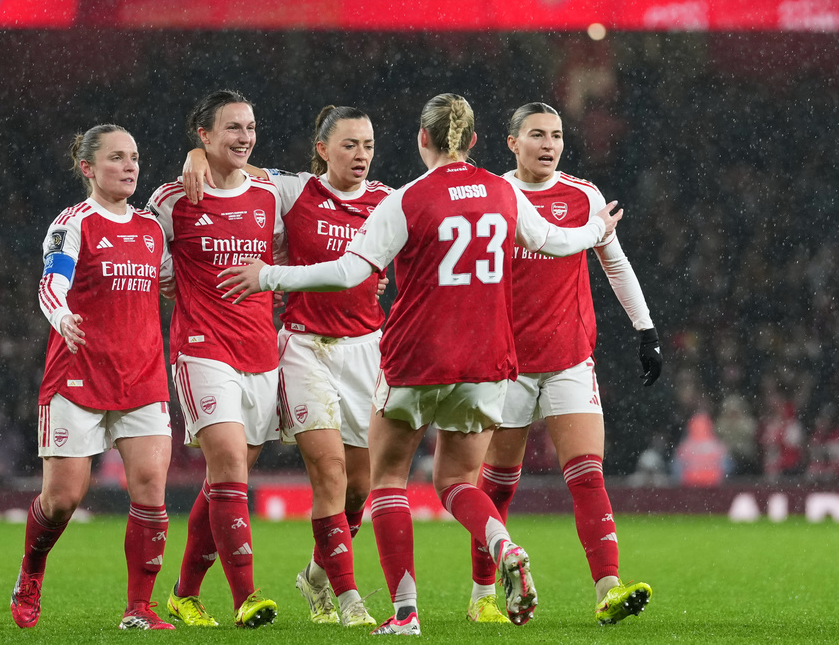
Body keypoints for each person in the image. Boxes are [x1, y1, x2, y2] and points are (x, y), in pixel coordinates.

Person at [219, 93, 621, 634]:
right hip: (486, 363)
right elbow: (554, 242)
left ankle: (405, 612)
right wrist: (598, 230)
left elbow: (346, 272)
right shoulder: (503, 192)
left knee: (387, 481)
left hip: (417, 358)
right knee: (457, 481)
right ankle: (503, 542)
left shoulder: (406, 200)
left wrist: (268, 276)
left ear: (421, 140)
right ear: (477, 141)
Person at [182, 105, 387, 628]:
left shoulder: (388, 203)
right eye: (348, 145)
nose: (360, 155)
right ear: (322, 150)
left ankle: (317, 575)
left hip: (366, 348)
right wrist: (192, 153)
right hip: (303, 348)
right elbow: (230, 168)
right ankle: (347, 599)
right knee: (330, 472)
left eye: (366, 144)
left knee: (361, 487)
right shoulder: (292, 191)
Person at [462, 102, 659, 627]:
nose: (548, 145)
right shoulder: (493, 197)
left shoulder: (582, 195)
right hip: (508, 365)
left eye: (556, 135)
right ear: (511, 142)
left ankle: (609, 589)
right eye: (536, 135)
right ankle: (482, 595)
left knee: (588, 476)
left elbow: (614, 261)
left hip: (570, 358)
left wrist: (646, 329)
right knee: (498, 485)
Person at [10, 124, 177, 631]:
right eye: (116, 158)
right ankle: (30, 573)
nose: (130, 167)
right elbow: (52, 281)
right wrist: (61, 317)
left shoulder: (151, 229)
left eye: (135, 157)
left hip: (142, 376)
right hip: (78, 376)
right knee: (63, 500)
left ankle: (139, 610)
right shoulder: (74, 222)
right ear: (87, 168)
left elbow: (174, 284)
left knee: (150, 489)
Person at [147, 90, 283, 629]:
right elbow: (149, 261)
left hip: (261, 350)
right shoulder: (171, 199)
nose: (244, 137)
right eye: (232, 128)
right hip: (202, 348)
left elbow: (294, 244)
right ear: (202, 136)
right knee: (227, 466)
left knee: (225, 479)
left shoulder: (272, 193)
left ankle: (183, 593)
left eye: (250, 127)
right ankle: (246, 597)